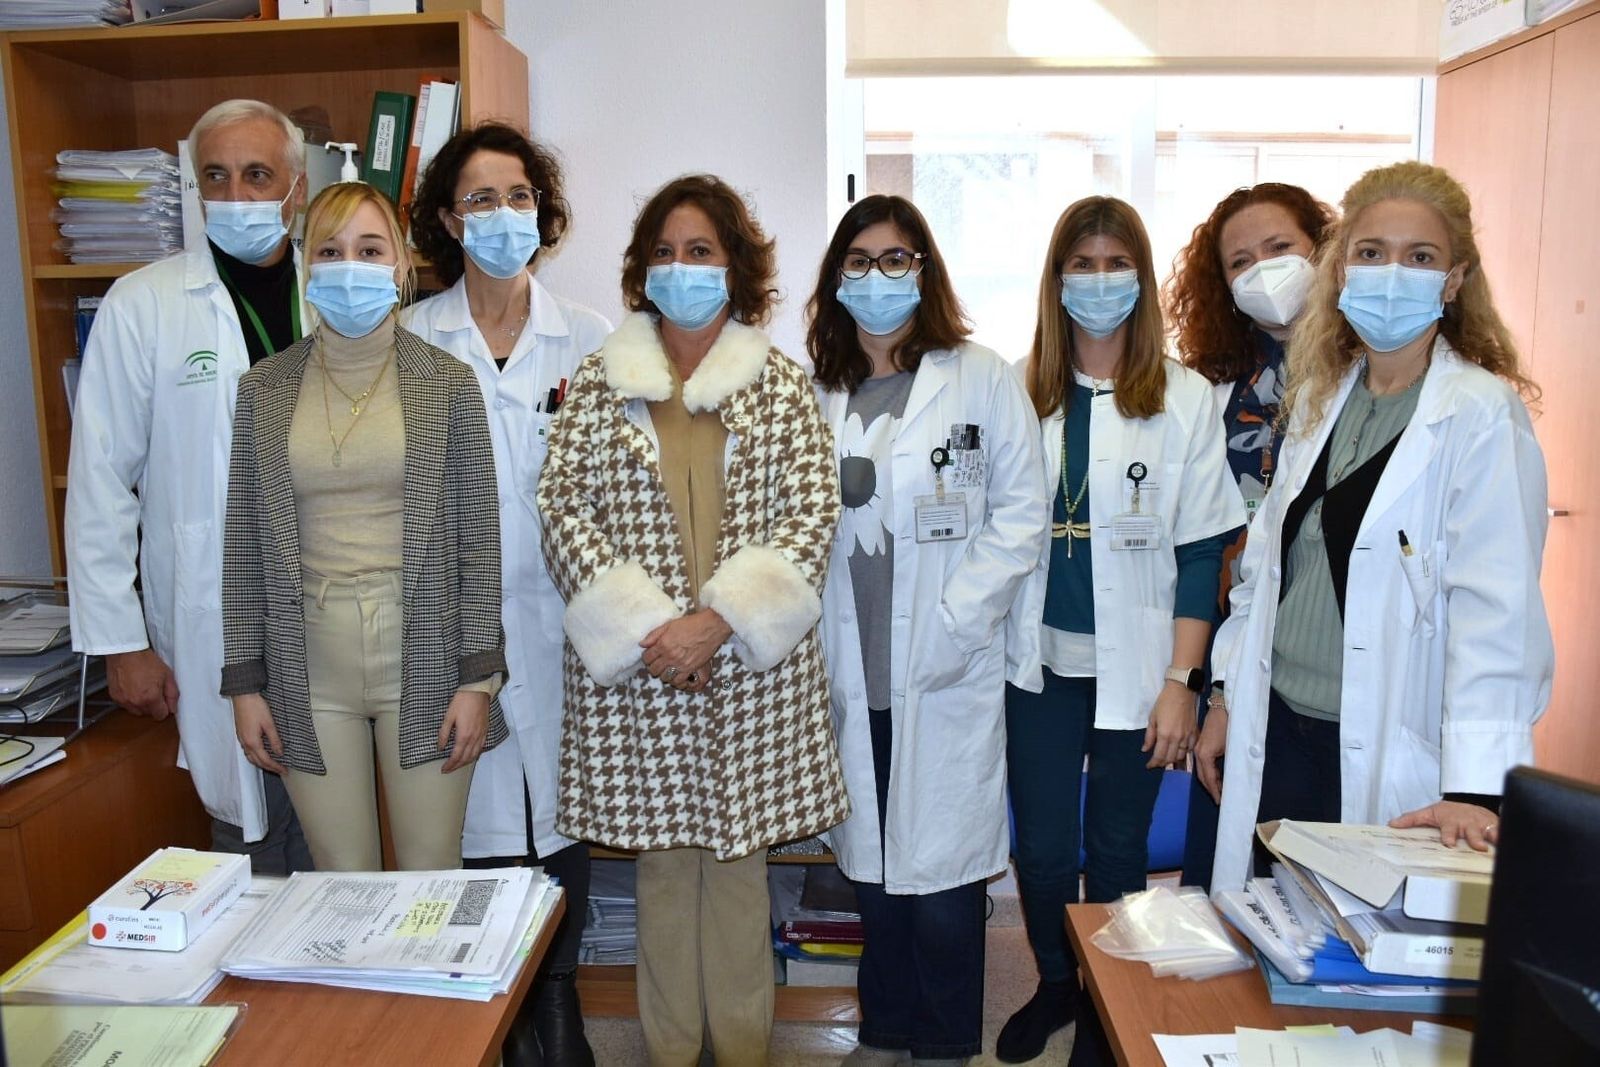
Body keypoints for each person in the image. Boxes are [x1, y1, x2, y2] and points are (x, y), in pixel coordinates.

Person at [536, 174, 848, 1067]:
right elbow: (564, 509)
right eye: (666, 252)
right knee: (666, 874)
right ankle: (673, 1053)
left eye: (701, 251)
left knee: (740, 869)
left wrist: (717, 622)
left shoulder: (780, 386)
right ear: (642, 270)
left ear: (735, 267)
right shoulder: (599, 383)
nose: (683, 267)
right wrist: (653, 632)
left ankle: (744, 1051)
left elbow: (809, 515)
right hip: (644, 668)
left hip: (746, 663)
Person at [1204, 161, 1552, 894]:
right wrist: (1228, 698)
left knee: (1355, 971)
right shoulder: (1319, 397)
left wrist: (1476, 787)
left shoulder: (1479, 413)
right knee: (1273, 943)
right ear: (1341, 269)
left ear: (1453, 280)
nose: (1391, 272)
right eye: (1370, 253)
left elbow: (1500, 619)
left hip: (1383, 740)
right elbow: (1263, 568)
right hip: (1280, 724)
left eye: (1419, 257)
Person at [1000, 196, 1244, 1063]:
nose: (1098, 282)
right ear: (1055, 278)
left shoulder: (1184, 398)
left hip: (1141, 668)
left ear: (1139, 277)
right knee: (1036, 851)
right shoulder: (1016, 387)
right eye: (1081, 264)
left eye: (1114, 263)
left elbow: (1200, 551)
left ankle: (1107, 1015)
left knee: (1114, 851)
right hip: (1036, 663)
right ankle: (1058, 985)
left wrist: (1183, 683)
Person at [810, 195, 1046, 1067]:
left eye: (897, 259)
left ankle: (945, 1042)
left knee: (945, 883)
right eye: (861, 261)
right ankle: (885, 1029)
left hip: (945, 664)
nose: (879, 278)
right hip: (852, 664)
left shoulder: (977, 376)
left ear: (925, 270)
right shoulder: (817, 388)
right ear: (839, 277)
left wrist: (959, 617)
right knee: (872, 874)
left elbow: (1020, 513)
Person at [220, 181, 507, 873]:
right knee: (341, 877)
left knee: (430, 875)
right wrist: (245, 682)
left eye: (370, 248)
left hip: (428, 653)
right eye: (331, 249)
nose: (351, 264)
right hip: (307, 660)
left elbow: (478, 541)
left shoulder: (448, 383)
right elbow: (244, 543)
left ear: (401, 266)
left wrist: (478, 683)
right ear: (306, 268)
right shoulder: (264, 387)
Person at [404, 122, 610, 1067]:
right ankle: (508, 1012)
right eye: (479, 199)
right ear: (450, 217)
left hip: (566, 624)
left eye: (518, 196)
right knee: (482, 827)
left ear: (544, 211)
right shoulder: (411, 338)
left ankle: (556, 999)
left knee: (560, 824)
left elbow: (620, 492)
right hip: (454, 631)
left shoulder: (592, 340)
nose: (501, 215)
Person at [65, 99, 312, 874]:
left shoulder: (344, 287)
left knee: (341, 826)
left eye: (258, 175)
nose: (237, 196)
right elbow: (101, 479)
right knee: (251, 830)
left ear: (296, 188)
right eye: (217, 177)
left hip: (334, 603)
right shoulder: (145, 304)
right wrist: (122, 640)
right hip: (217, 608)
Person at [1163, 183, 1335, 890]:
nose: (1261, 271)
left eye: (1279, 249)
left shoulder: (1360, 376)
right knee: (1223, 867)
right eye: (1239, 261)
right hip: (1229, 648)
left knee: (1308, 875)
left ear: (1322, 251)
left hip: (1317, 657)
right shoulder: (1214, 387)